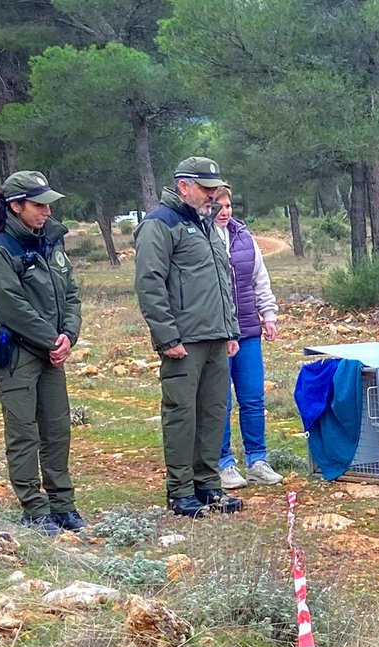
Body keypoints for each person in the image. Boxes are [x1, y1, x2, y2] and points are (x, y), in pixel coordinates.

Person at [134, 157, 243, 516]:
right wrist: (167, 337)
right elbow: (150, 283)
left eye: (215, 189)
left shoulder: (207, 224)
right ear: (184, 186)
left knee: (213, 412)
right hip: (184, 340)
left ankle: (208, 485)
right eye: (206, 188)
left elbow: (222, 281)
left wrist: (230, 330)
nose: (213, 195)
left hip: (216, 337)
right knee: (182, 414)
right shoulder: (160, 224)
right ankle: (180, 491)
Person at [0, 171, 84, 536]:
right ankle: (35, 509)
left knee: (57, 430)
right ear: (16, 206)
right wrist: (52, 340)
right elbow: (12, 307)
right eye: (38, 205)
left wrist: (68, 335)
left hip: (51, 352)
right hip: (17, 355)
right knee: (24, 433)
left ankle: (63, 505)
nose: (46, 211)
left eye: (48, 205)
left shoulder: (52, 242)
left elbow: (71, 294)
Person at [213, 186, 284, 490]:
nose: (225, 211)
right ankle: (223, 463)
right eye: (218, 206)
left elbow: (259, 279)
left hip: (248, 331)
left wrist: (268, 316)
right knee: (221, 402)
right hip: (216, 335)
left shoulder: (244, 238)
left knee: (253, 398)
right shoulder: (200, 237)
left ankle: (257, 461)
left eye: (229, 205)